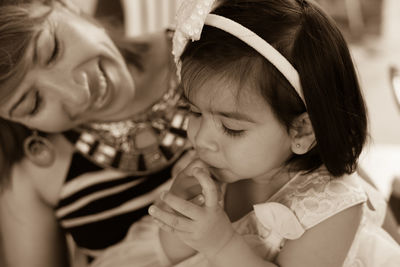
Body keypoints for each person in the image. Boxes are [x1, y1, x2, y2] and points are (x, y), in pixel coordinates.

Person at [147, 0, 400, 266]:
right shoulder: (219, 168)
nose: (201, 139)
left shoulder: (331, 206)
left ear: (302, 131)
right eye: (195, 112)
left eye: (232, 128)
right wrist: (179, 211)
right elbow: (172, 257)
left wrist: (221, 245)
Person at [0, 0, 191, 266]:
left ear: (67, 7)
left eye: (53, 50)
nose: (79, 95)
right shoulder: (34, 180)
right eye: (33, 104)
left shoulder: (203, 48)